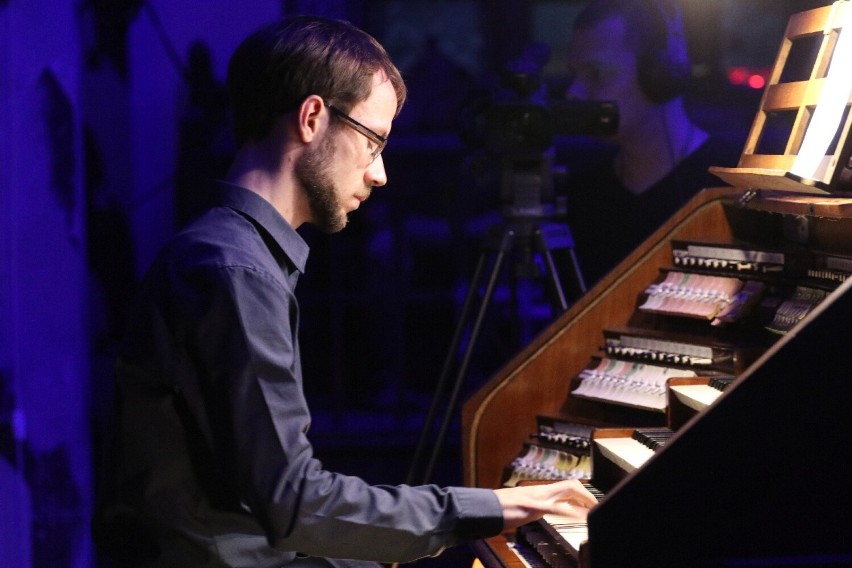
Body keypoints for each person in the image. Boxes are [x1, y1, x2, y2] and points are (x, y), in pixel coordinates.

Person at [92, 15, 598, 568]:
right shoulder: (233, 270)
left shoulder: (232, 256)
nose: (380, 173)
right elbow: (296, 505)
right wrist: (489, 507)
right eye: (374, 141)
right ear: (312, 118)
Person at [561, 0, 741, 286]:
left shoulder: (733, 180)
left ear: (658, 74)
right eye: (574, 75)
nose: (574, 93)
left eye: (596, 73)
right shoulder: (581, 191)